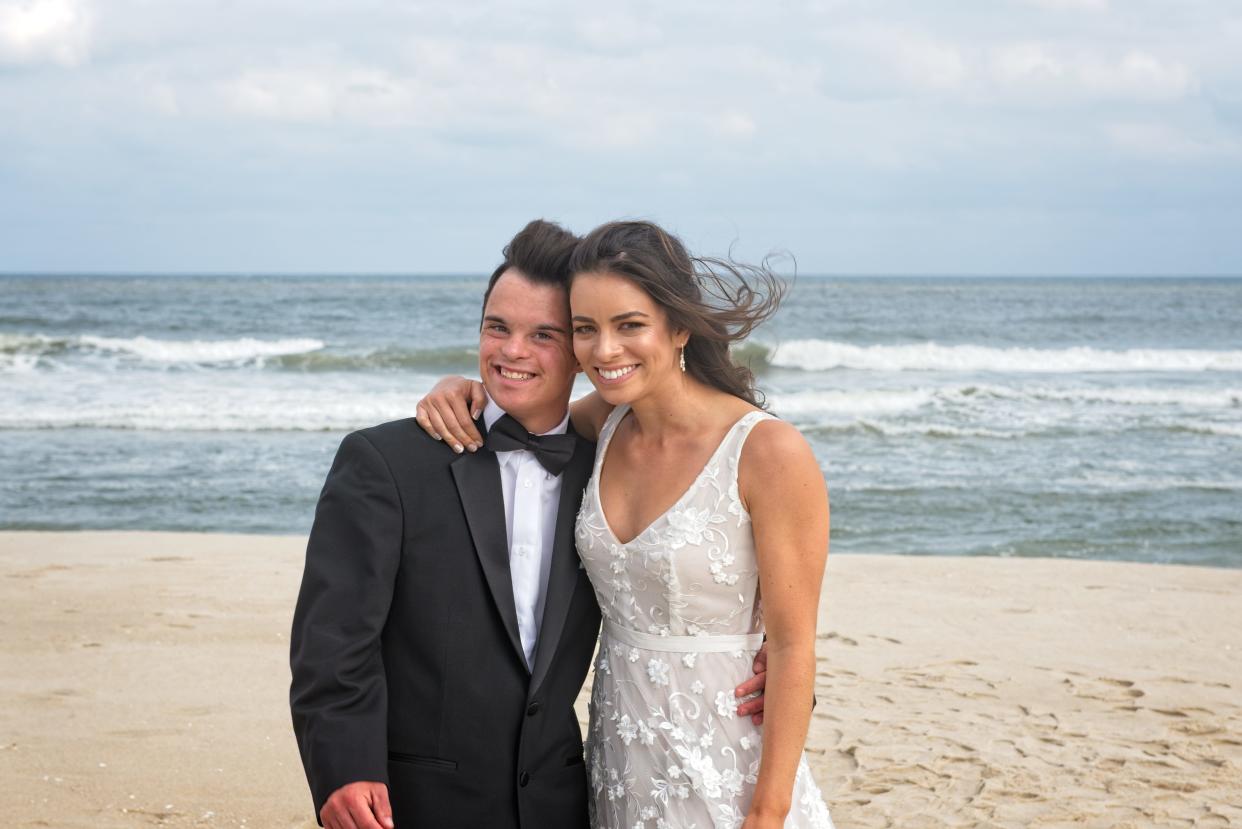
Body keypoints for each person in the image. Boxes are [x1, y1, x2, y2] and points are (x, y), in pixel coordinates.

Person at [289, 219, 770, 829]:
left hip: (561, 801)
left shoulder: (609, 468)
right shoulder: (387, 462)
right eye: (498, 327)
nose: (512, 352)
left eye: (543, 334)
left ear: (583, 349)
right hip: (414, 800)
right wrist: (344, 767)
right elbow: (332, 641)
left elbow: (687, 569)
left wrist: (765, 658)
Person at [417, 221, 834, 828]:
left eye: (629, 325)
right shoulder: (604, 425)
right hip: (620, 752)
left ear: (680, 325)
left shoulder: (768, 452)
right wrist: (460, 389)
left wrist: (768, 813)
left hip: (730, 756)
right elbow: (526, 411)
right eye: (585, 329)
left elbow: (795, 646)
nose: (604, 351)